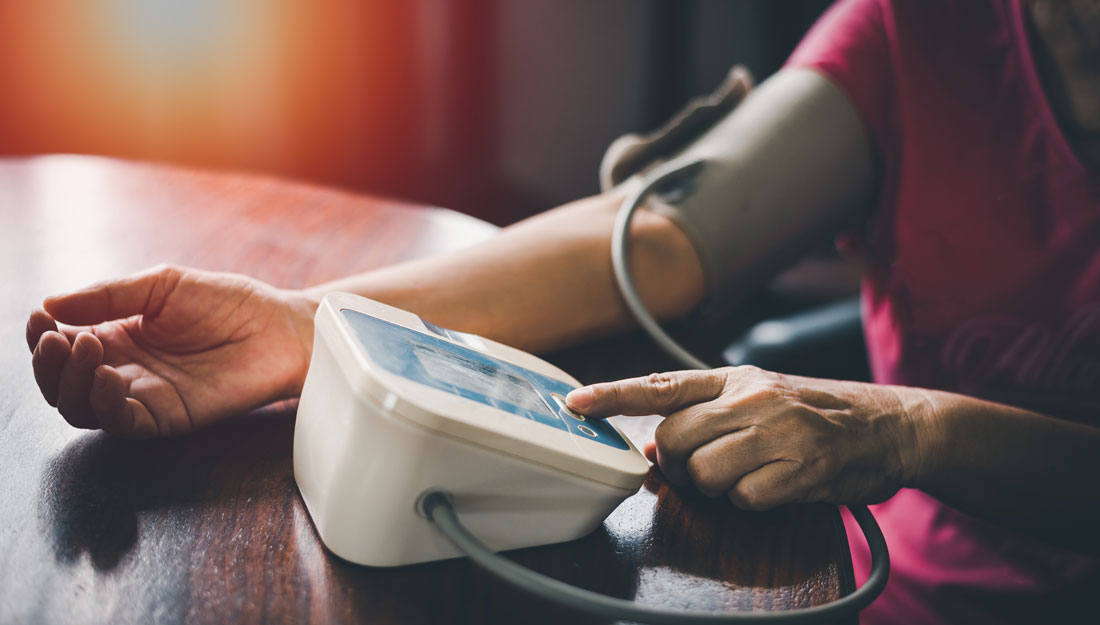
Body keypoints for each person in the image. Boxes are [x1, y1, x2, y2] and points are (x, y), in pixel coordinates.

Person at [24, 0, 1100, 622]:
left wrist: (911, 429)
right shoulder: (927, 31)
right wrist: (309, 326)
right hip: (894, 592)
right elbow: (661, 236)